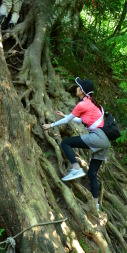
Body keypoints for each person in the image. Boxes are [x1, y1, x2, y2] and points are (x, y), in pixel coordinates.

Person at [42, 77, 110, 212]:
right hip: (105, 141)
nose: (76, 88)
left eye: (78, 87)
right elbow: (80, 120)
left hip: (97, 137)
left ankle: (76, 168)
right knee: (92, 174)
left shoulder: (82, 104)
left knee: (66, 143)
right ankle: (95, 205)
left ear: (82, 91)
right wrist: (65, 115)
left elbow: (68, 121)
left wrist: (51, 125)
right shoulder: (93, 103)